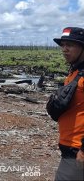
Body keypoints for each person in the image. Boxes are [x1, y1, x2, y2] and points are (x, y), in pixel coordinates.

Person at [52, 27, 84, 180]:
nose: (64, 49)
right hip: (69, 146)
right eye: (63, 45)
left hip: (77, 150)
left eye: (70, 45)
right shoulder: (75, 72)